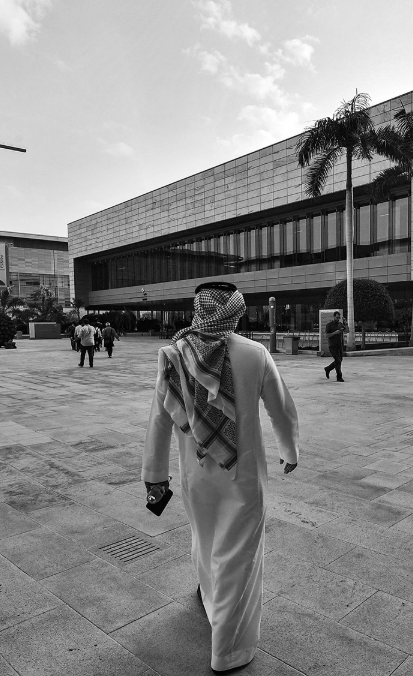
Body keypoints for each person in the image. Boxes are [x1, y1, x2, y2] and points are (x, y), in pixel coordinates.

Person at [143, 282, 299, 673]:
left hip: (196, 478)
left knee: (205, 544)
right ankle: (228, 652)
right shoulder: (254, 353)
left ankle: (213, 603)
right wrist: (289, 450)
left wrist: (155, 476)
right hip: (243, 476)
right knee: (237, 558)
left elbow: (159, 422)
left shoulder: (174, 354)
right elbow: (280, 408)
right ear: (236, 311)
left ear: (198, 309)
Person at [323, 310, 345, 382]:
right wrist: (335, 333)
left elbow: (347, 331)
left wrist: (346, 324)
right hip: (332, 345)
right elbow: (326, 335)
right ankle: (338, 375)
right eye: (337, 317)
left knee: (340, 360)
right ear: (334, 317)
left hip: (340, 345)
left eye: (339, 318)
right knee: (337, 360)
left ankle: (328, 369)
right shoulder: (329, 325)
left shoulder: (340, 324)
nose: (338, 319)